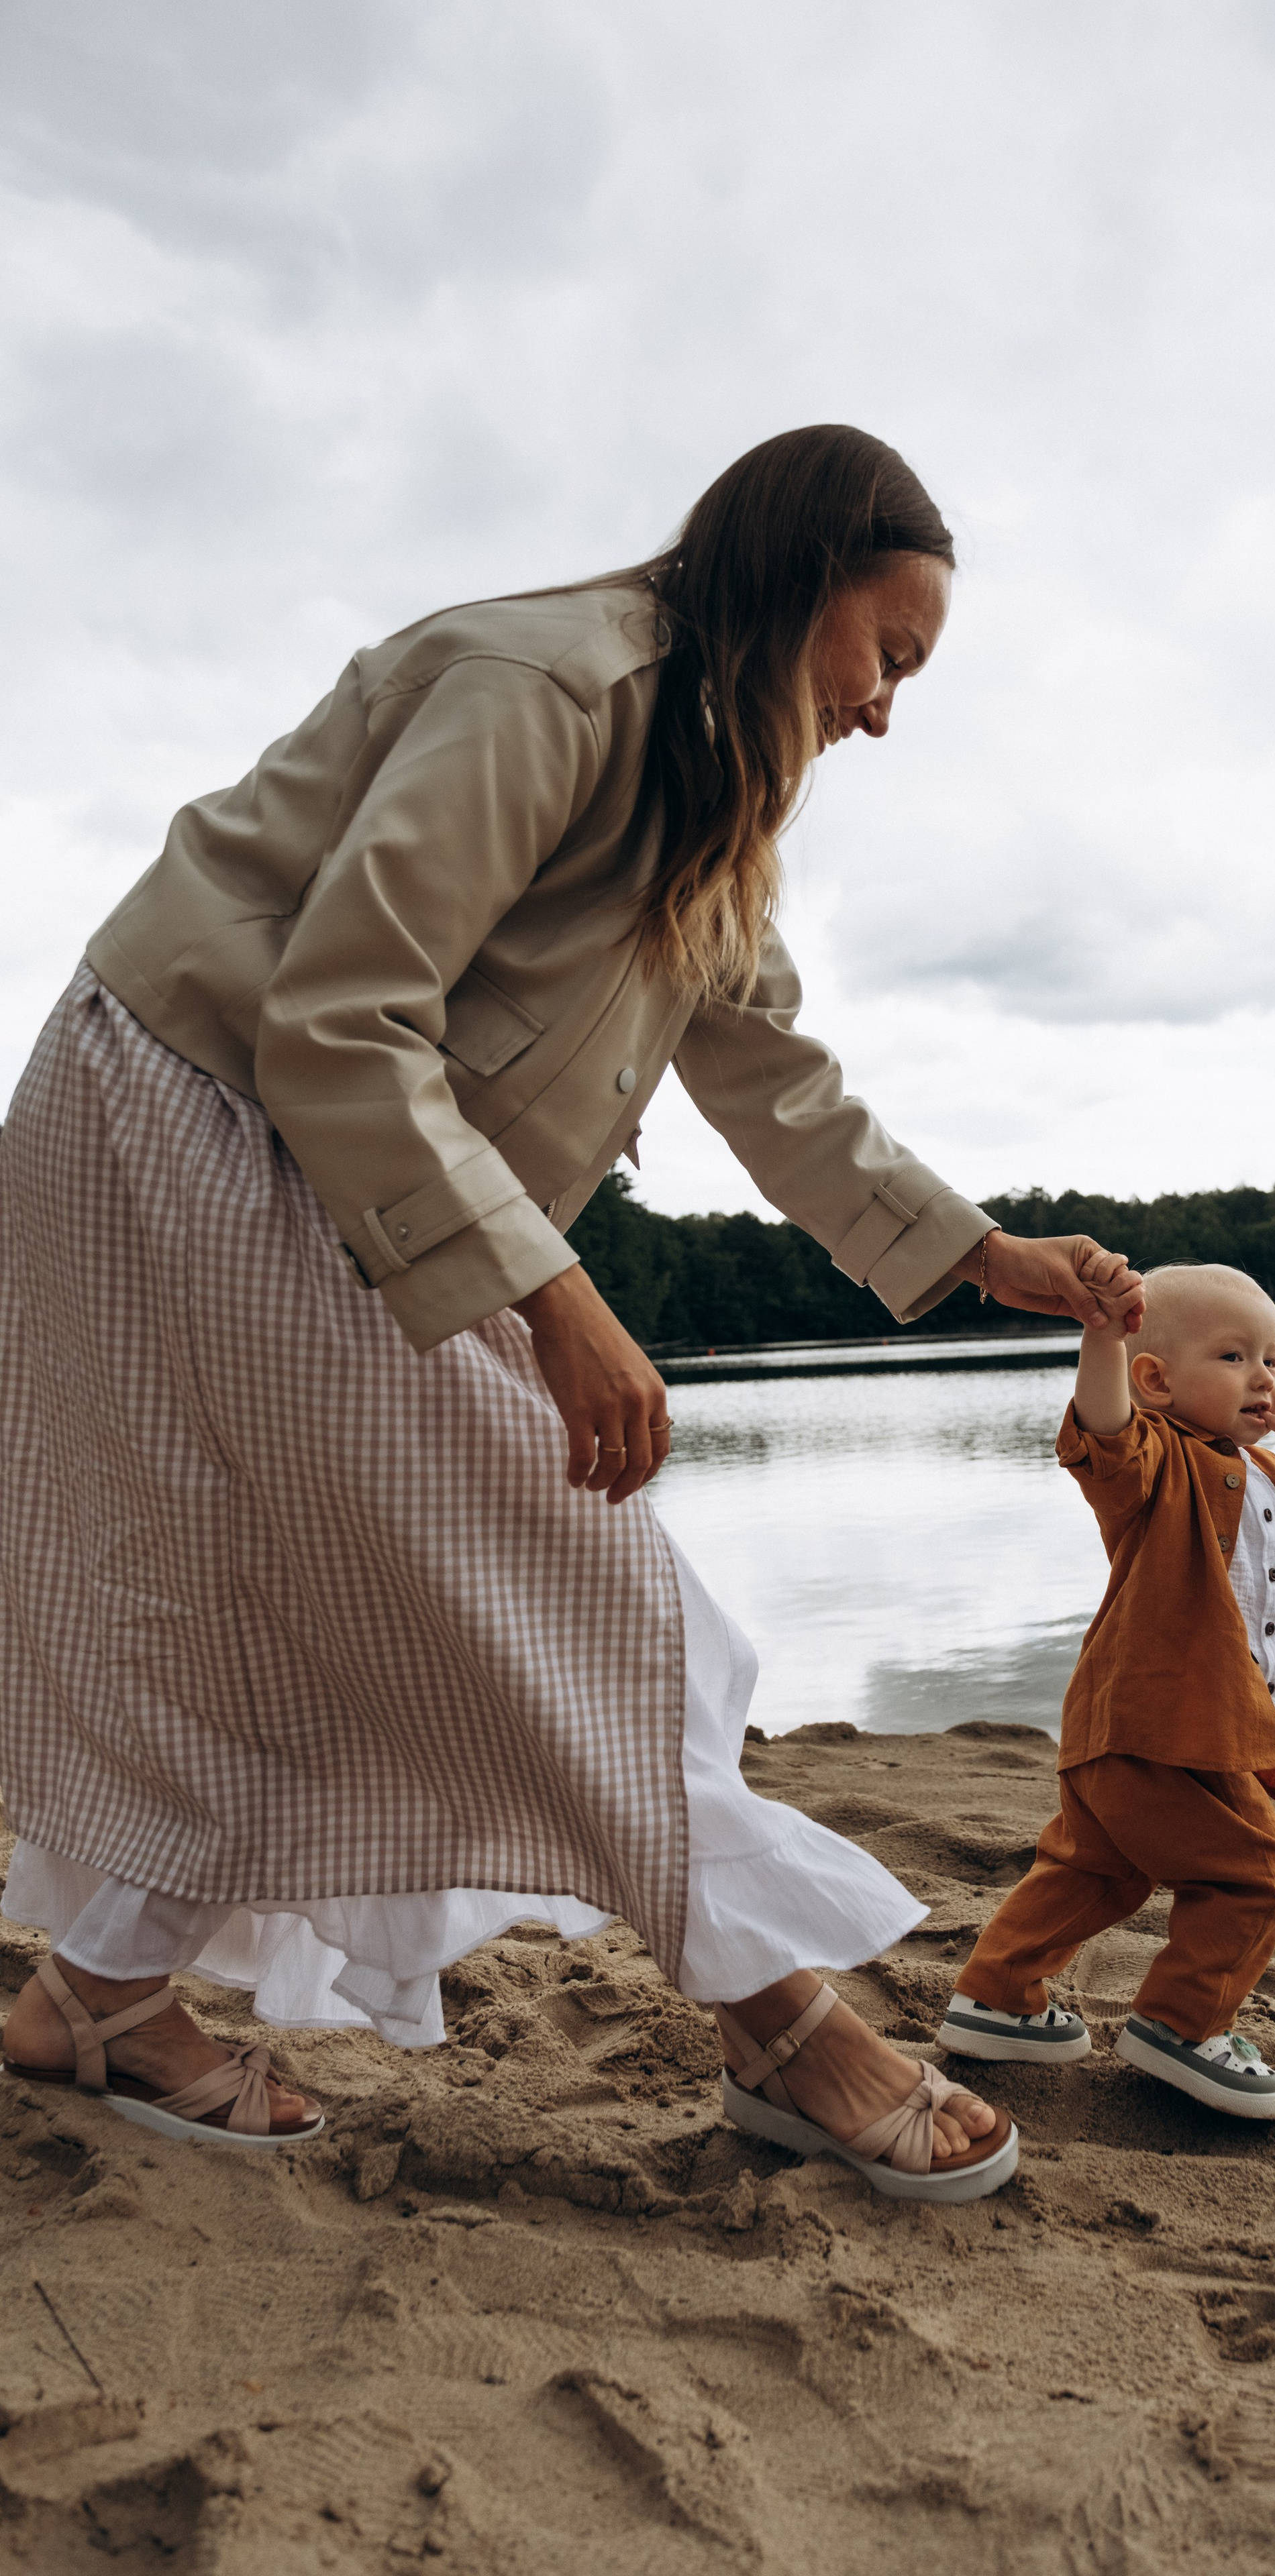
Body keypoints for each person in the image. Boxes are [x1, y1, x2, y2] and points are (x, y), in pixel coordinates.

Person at [0, 425, 1143, 2202]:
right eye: (887, 655)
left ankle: (97, 1998)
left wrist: (987, 1255)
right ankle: (785, 2028)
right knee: (563, 1572)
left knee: (306, 1597)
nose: (885, 711)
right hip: (192, 1108)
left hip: (343, 1165)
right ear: (796, 579)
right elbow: (336, 1017)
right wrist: (553, 1298)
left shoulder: (718, 793)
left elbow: (773, 1075)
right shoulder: (546, 691)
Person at [937, 1260, 1275, 2120]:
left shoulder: (1267, 1478)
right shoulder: (1148, 1463)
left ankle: (996, 1997)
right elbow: (1101, 1427)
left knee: (1096, 1872)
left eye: (1274, 1358)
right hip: (1169, 1730)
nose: (1264, 1377)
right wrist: (1102, 1334)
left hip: (1131, 1730)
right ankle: (1180, 2026)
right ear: (1156, 1380)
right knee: (1252, 1876)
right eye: (1233, 1356)